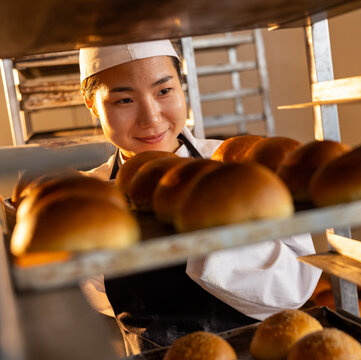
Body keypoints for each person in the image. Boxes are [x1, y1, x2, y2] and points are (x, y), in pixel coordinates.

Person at [77, 40, 321, 355]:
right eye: (124, 99)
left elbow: (295, 286)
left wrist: (196, 232)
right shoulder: (90, 195)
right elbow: (96, 298)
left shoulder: (244, 166)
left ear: (182, 87)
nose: (151, 118)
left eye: (164, 91)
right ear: (91, 103)